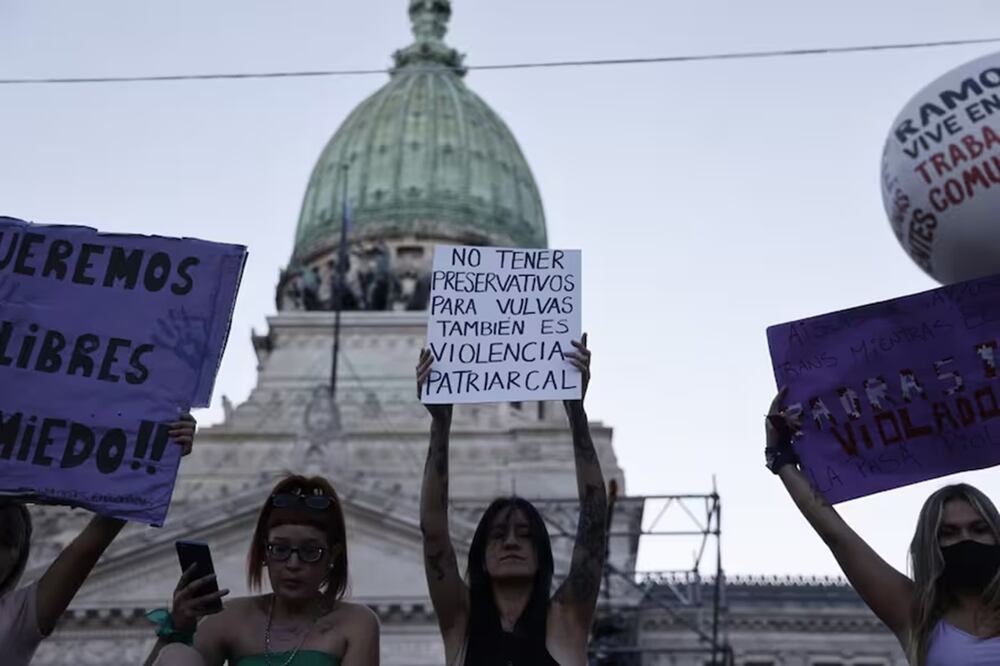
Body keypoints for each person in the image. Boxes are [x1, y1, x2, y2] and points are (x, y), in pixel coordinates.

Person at [767, 388, 1000, 665]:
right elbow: (837, 535)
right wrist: (780, 457)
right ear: (930, 545)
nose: (966, 539)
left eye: (978, 529)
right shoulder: (916, 614)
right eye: (948, 533)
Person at [415, 335, 608, 666]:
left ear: (541, 553)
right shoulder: (461, 623)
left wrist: (576, 412)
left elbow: (594, 518)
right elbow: (433, 528)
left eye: (524, 534)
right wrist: (440, 424)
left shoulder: (567, 619)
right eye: (498, 534)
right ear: (481, 555)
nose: (511, 542)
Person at [0, 413, 197, 665]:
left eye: (7, 541)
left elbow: (91, 543)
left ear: (15, 559)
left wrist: (159, 456)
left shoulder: (17, 617)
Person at [145, 474, 379, 666]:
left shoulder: (357, 623)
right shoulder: (230, 617)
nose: (293, 564)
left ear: (332, 556)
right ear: (264, 553)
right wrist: (177, 629)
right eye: (279, 549)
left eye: (310, 552)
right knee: (177, 654)